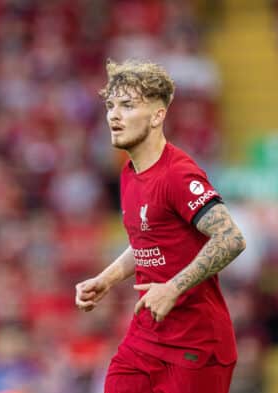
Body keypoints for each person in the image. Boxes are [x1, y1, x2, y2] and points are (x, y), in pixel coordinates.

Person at [75, 59, 246, 393]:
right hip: (146, 337)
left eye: (126, 105)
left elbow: (231, 238)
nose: (113, 115)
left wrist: (172, 287)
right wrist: (106, 279)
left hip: (196, 346)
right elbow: (148, 240)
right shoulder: (129, 172)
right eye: (110, 105)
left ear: (157, 116)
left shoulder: (178, 174)